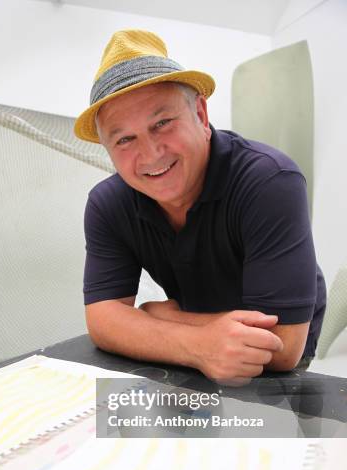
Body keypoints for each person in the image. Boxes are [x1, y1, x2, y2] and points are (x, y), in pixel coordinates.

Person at [74, 29, 326, 385]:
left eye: (162, 123)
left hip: (281, 346)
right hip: (196, 344)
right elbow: (102, 319)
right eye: (125, 139)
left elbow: (283, 345)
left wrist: (160, 318)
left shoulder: (269, 181)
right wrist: (196, 344)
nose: (150, 154)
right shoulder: (108, 204)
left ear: (201, 114)